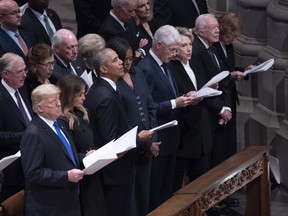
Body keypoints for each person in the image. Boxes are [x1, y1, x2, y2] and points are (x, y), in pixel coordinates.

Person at [84, 48, 153, 216]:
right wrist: (138, 138)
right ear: (103, 69)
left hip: (115, 170)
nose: (121, 62)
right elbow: (111, 140)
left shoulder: (102, 88)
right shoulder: (106, 96)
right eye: (115, 60)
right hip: (114, 171)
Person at [136, 25, 198, 210]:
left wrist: (184, 97)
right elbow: (146, 107)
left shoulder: (167, 64)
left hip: (172, 138)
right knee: (156, 193)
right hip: (158, 138)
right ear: (159, 45)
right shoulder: (145, 68)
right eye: (173, 49)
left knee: (169, 190)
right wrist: (174, 103)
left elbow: (170, 92)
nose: (175, 53)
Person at [106, 37, 160, 216]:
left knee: (144, 197)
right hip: (130, 150)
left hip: (148, 147)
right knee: (130, 202)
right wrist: (144, 144)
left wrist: (153, 138)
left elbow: (150, 106)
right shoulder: (114, 83)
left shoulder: (137, 74)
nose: (128, 63)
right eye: (124, 59)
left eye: (130, 58)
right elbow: (122, 121)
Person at [20, 84, 85, 216]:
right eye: (52, 102)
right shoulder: (33, 134)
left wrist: (85, 157)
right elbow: (33, 173)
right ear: (39, 108)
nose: (58, 104)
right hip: (49, 207)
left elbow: (66, 156)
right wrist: (66, 176)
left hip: (68, 200)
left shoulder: (59, 124)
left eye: (58, 99)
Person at [57, 75, 107, 216]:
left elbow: (90, 142)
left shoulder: (80, 112)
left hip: (92, 172)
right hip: (79, 176)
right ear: (69, 95)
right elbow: (66, 152)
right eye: (80, 95)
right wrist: (85, 156)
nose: (84, 98)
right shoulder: (62, 121)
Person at [171, 27, 213, 190]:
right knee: (179, 183)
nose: (189, 49)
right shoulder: (172, 69)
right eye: (183, 45)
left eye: (190, 44)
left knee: (201, 181)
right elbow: (174, 94)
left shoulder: (195, 63)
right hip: (185, 133)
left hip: (201, 130)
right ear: (175, 48)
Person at [0, 52, 33, 202]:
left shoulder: (23, 89)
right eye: (20, 72)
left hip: (30, 163)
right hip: (10, 171)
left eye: (25, 70)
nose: (25, 75)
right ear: (5, 74)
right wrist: (27, 135)